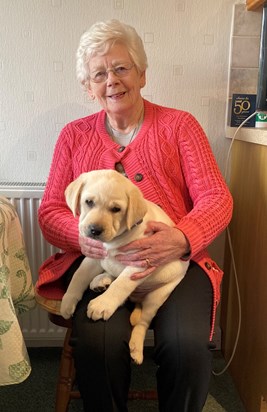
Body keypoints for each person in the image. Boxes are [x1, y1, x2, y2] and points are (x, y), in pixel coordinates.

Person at [36, 19, 233, 412]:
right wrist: (86, 238)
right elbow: (51, 210)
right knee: (97, 344)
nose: (112, 80)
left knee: (187, 345)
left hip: (176, 261)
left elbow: (217, 198)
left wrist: (180, 238)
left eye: (121, 68)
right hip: (100, 261)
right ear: (88, 88)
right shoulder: (74, 136)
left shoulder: (180, 126)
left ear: (142, 73)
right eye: (99, 73)